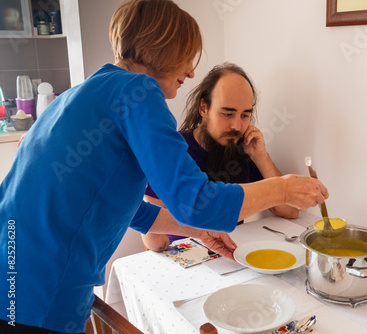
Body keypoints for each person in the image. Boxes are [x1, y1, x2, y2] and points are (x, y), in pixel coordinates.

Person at [0, 1, 328, 333]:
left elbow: (122, 209)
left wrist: (199, 232)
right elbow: (197, 202)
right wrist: (283, 188)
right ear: (160, 48)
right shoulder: (137, 90)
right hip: (38, 291)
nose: (190, 72)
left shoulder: (79, 94)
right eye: (187, 57)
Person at [142, 63, 299, 251]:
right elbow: (154, 241)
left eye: (245, 115)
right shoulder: (173, 150)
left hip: (231, 256)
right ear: (203, 108)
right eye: (227, 113)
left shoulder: (243, 148)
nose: (237, 126)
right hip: (181, 258)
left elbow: (289, 211)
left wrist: (260, 156)